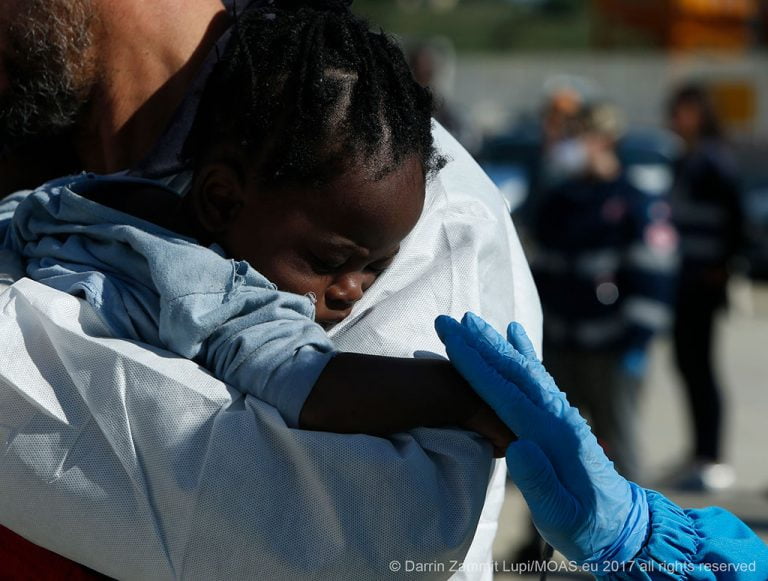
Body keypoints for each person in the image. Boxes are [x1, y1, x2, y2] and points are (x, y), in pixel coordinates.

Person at [0, 0, 542, 577]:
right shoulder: (208, 262)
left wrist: (470, 396)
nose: (352, 290)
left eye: (368, 269)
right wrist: (467, 397)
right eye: (333, 261)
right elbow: (302, 382)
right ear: (219, 200)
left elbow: (373, 543)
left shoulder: (381, 179)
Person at [436, 312, 768, 579]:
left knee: (609, 444)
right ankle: (533, 542)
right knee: (553, 445)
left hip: (614, 342)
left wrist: (637, 535)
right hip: (571, 336)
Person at [530, 103, 677, 481]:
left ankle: (636, 540)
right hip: (562, 348)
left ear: (604, 140)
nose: (567, 145)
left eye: (577, 136)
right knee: (554, 452)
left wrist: (637, 343)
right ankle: (539, 541)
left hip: (613, 352)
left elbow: (654, 278)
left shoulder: (634, 201)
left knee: (618, 453)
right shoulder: (558, 201)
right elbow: (539, 270)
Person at [666, 83, 744, 492]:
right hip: (684, 278)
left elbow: (737, 219)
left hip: (703, 281)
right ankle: (698, 451)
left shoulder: (714, 161)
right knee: (686, 364)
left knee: (701, 366)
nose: (673, 119)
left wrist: (722, 267)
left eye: (680, 110)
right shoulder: (688, 158)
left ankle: (712, 456)